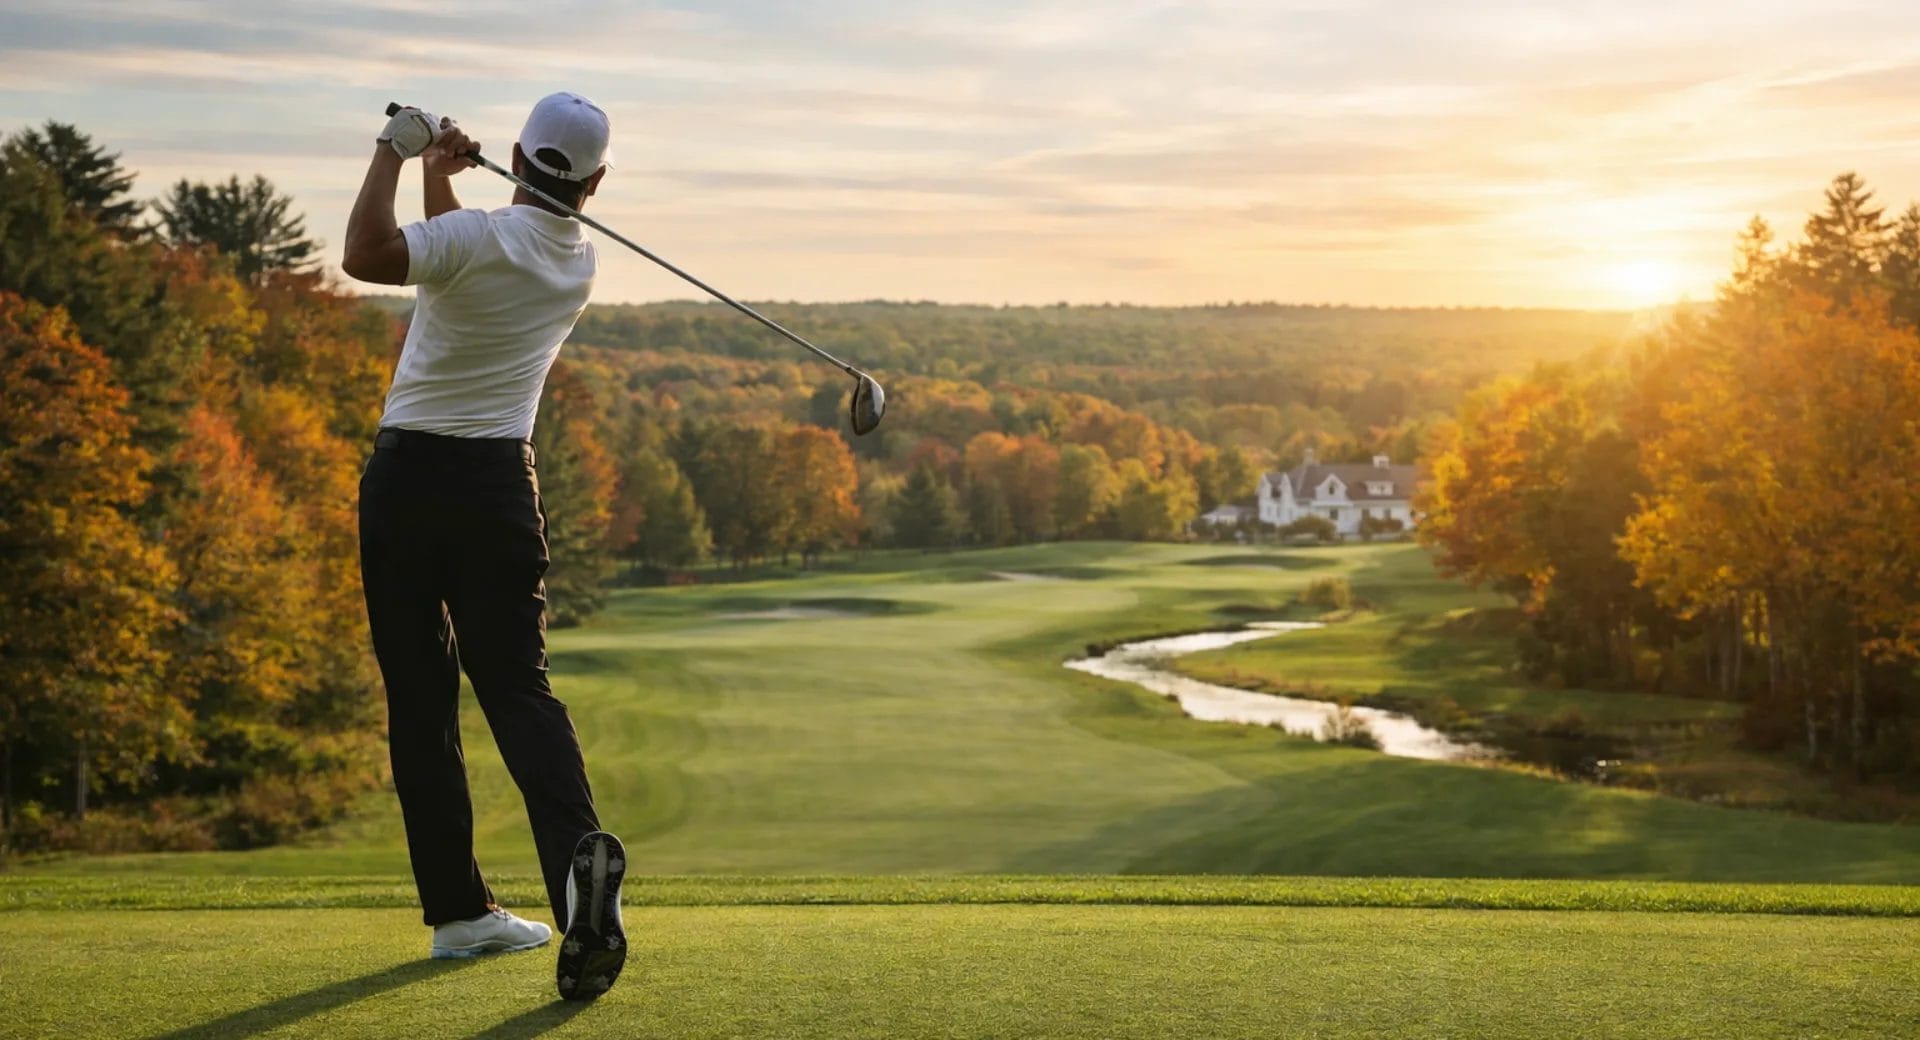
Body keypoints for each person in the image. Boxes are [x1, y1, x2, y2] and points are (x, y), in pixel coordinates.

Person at [342, 93, 628, 1002]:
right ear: (595, 183)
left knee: (421, 701)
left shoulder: (476, 239)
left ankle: (458, 912)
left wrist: (393, 152)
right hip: (498, 489)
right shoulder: (578, 262)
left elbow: (367, 257)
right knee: (517, 689)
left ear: (515, 152)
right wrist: (441, 178)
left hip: (405, 484)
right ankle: (575, 882)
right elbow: (458, 264)